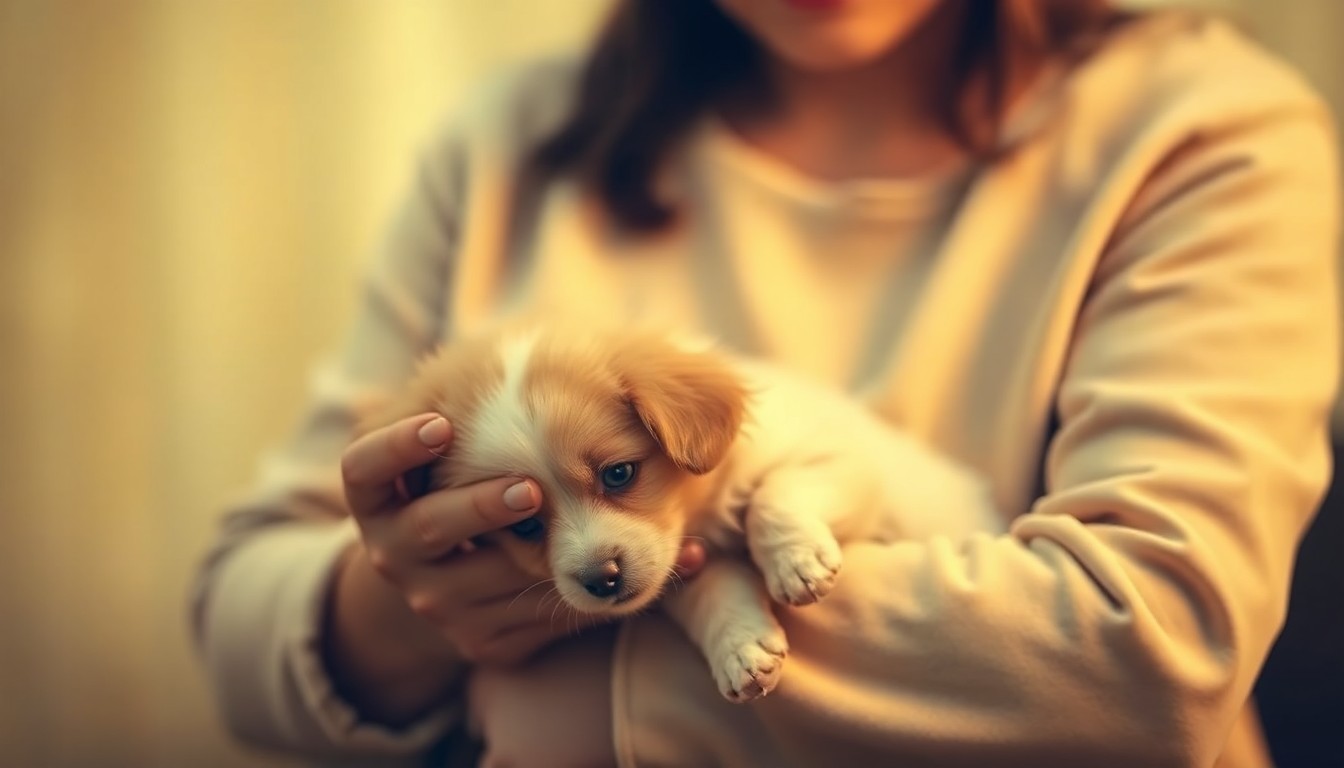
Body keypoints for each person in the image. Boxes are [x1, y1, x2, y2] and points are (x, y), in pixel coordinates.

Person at [190, 1, 1341, 766]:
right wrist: (407, 609)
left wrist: (567, 699)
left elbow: (1148, 656)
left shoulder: (1203, 134)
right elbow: (243, 609)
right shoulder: (510, 145)